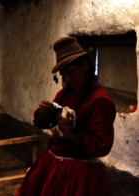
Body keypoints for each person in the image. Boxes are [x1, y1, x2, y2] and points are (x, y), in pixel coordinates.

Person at [15, 36, 116, 196]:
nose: (67, 80)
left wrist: (72, 135)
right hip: (53, 162)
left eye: (70, 72)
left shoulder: (100, 101)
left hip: (78, 174)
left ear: (84, 65)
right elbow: (44, 121)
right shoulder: (66, 92)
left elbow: (102, 145)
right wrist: (43, 114)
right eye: (63, 75)